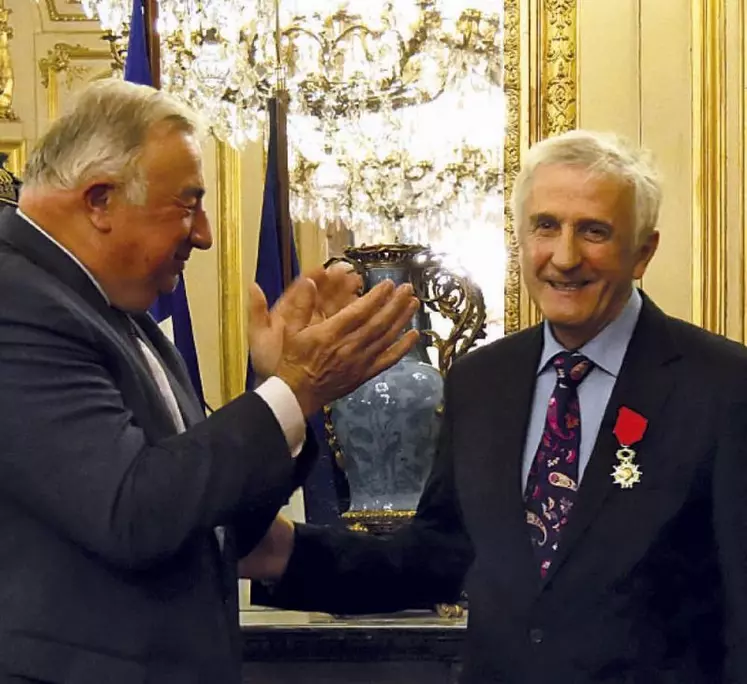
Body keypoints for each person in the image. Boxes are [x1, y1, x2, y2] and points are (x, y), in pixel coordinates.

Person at [241, 129, 747, 683]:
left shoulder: (723, 386)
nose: (565, 256)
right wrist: (285, 553)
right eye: (546, 226)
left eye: (594, 231)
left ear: (642, 252)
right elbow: (437, 556)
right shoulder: (481, 381)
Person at [0, 78, 421, 684]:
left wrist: (280, 390)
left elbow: (213, 525)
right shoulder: (15, 299)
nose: (204, 233)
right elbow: (131, 514)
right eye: (187, 204)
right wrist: (293, 392)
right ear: (99, 200)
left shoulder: (122, 313)